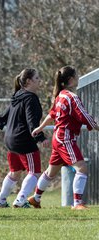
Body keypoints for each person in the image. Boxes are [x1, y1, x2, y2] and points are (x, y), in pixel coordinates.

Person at [28, 66, 99, 210]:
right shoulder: (72, 97)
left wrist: (40, 128)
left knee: (50, 172)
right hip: (65, 139)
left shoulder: (60, 96)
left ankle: (35, 198)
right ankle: (77, 204)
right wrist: (96, 126)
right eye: (77, 75)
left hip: (58, 138)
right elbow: (84, 116)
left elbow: (51, 115)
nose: (78, 77)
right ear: (71, 79)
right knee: (82, 168)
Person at [0, 68, 49, 208]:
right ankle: (21, 200)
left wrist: (0, 123)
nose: (39, 80)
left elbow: (7, 111)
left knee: (14, 172)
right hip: (23, 141)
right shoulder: (31, 97)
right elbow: (32, 121)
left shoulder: (18, 95)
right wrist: (40, 137)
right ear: (28, 81)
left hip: (10, 140)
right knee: (34, 172)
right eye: (36, 78)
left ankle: (0, 201)